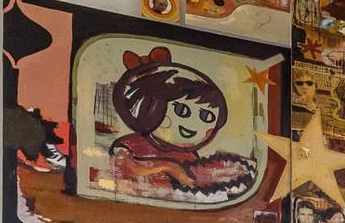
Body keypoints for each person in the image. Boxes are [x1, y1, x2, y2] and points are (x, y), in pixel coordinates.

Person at [106, 47, 256, 202]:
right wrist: (170, 168)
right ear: (149, 108)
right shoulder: (130, 144)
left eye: (206, 116)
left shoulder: (188, 155)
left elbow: (192, 186)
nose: (193, 123)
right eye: (181, 110)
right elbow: (126, 171)